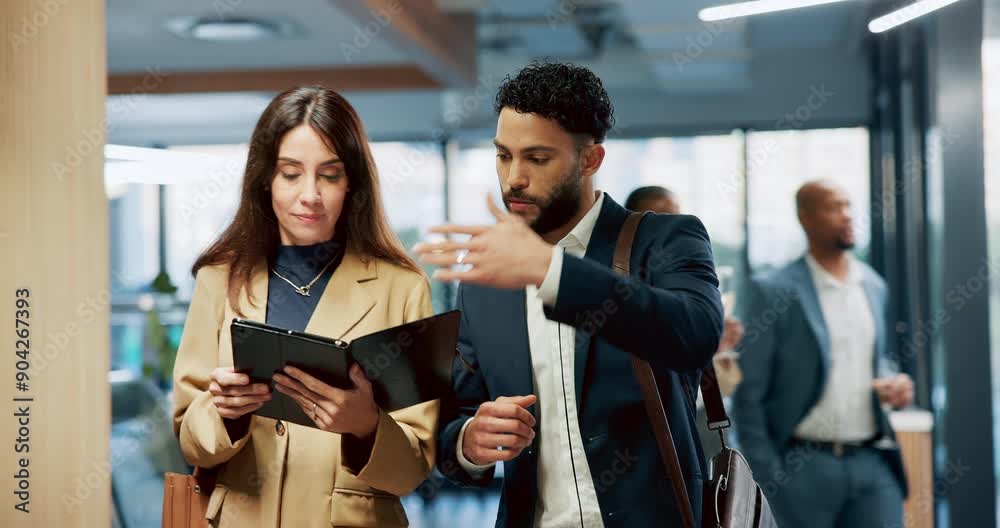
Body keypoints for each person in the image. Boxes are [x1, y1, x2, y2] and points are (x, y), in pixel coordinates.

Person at [414, 62, 724, 527]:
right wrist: (470, 441)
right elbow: (455, 416)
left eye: (537, 159)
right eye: (503, 155)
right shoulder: (484, 282)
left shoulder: (664, 240)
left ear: (590, 160)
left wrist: (550, 269)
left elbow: (694, 333)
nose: (513, 177)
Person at [171, 85, 438, 528]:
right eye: (291, 174)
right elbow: (190, 442)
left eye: (329, 175)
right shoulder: (218, 278)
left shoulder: (403, 289)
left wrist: (366, 424)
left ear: (352, 184)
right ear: (265, 180)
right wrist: (225, 414)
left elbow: (412, 470)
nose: (309, 195)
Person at [732, 180, 914, 528]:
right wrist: (770, 476)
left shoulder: (873, 285)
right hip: (802, 467)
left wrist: (894, 383)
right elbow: (749, 394)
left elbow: (875, 360)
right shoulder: (773, 291)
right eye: (833, 207)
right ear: (806, 219)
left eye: (848, 206)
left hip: (872, 463)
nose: (846, 216)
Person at [625, 185, 744, 459]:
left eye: (678, 215)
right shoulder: (624, 293)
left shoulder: (688, 292)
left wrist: (716, 346)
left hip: (699, 423)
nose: (675, 226)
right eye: (664, 215)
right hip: (644, 437)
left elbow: (722, 386)